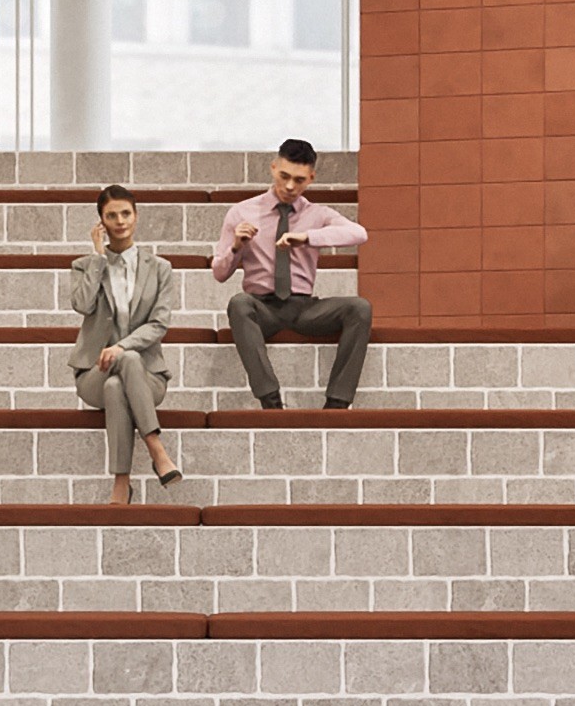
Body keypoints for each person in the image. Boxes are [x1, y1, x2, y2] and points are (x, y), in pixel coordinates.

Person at [209, 139, 371, 411]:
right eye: (284, 176)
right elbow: (219, 273)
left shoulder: (317, 214)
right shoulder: (242, 212)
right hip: (263, 307)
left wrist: (307, 237)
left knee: (360, 308)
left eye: (299, 180)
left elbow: (359, 234)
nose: (289, 187)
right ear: (273, 168)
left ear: (311, 178)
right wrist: (237, 246)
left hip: (304, 308)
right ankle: (270, 401)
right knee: (239, 304)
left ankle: (337, 403)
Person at [69, 182, 185, 503]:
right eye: (111, 216)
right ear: (101, 222)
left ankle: (121, 481)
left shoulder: (160, 269)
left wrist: (121, 348)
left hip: (148, 378)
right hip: (93, 373)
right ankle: (157, 451)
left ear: (136, 216)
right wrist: (97, 258)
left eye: (125, 213)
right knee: (110, 380)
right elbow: (82, 304)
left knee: (120, 379)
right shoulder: (84, 266)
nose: (119, 221)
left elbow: (159, 323)